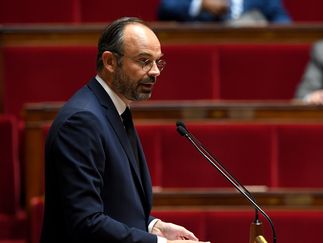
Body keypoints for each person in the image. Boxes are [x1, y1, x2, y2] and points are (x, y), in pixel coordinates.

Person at [41, 17, 209, 243]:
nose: (155, 71)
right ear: (110, 62)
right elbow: (85, 222)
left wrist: (153, 226)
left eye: (158, 62)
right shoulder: (82, 121)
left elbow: (114, 202)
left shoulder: (115, 109)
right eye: (144, 61)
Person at [157, 0, 292, 25]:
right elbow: (166, 7)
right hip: (202, 41)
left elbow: (282, 20)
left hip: (244, 47)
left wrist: (265, 32)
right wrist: (200, 4)